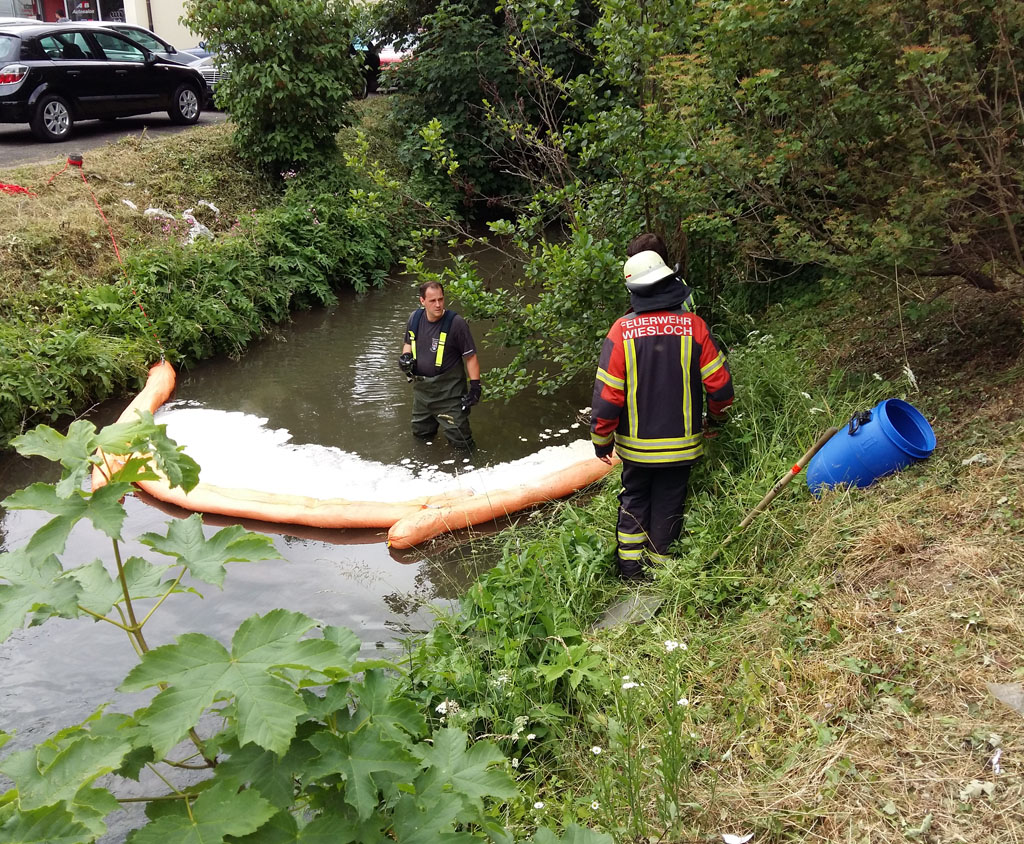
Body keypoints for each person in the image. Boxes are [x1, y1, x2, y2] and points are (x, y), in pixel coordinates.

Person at [590, 236, 734, 580]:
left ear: (634, 291)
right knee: (670, 503)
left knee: (634, 499)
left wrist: (601, 439)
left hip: (637, 449)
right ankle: (661, 571)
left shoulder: (621, 331)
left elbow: (608, 396)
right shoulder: (694, 326)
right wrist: (716, 420)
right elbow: (721, 386)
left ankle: (630, 570)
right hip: (683, 445)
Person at [399, 281, 481, 449]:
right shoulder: (414, 318)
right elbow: (408, 342)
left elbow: (471, 357)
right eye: (432, 301)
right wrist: (404, 358)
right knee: (421, 436)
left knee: (461, 442)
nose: (438, 305)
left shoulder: (456, 323)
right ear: (422, 301)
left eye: (441, 299)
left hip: (449, 394)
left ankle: (468, 469)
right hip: (422, 393)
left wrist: (475, 387)